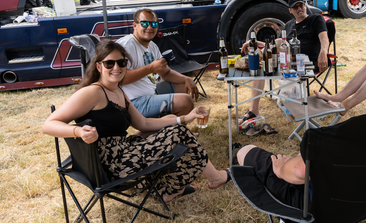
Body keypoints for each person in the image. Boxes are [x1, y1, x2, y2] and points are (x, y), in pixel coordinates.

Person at [43, 40, 229, 203]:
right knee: (178, 133)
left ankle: (170, 191)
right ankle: (216, 178)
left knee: (169, 126)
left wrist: (185, 118)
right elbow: (48, 125)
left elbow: (144, 124)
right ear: (99, 67)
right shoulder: (92, 92)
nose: (116, 68)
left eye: (121, 63)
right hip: (112, 166)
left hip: (124, 152)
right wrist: (78, 132)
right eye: (109, 63)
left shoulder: (118, 92)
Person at [235, 56, 366, 208]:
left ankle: (231, 172)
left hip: (319, 210)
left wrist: (281, 167)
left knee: (245, 151)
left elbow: (299, 172)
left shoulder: (354, 132)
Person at [238, 0, 329, 123]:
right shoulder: (289, 25)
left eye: (301, 5)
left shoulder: (315, 19)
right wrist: (254, 42)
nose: (299, 9)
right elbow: (276, 44)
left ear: (305, 6)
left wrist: (323, 52)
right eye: (295, 7)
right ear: (290, 10)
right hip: (287, 62)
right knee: (261, 65)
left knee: (267, 61)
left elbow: (324, 38)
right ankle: (253, 111)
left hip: (306, 63)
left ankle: (297, 108)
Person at [117, 8, 199, 119]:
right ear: (135, 25)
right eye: (145, 23)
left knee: (184, 86)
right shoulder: (126, 45)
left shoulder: (152, 45)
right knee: (186, 101)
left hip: (152, 91)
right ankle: (159, 129)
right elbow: (120, 78)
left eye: (154, 24)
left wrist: (186, 79)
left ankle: (169, 128)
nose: (150, 27)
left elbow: (165, 73)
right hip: (133, 102)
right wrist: (150, 68)